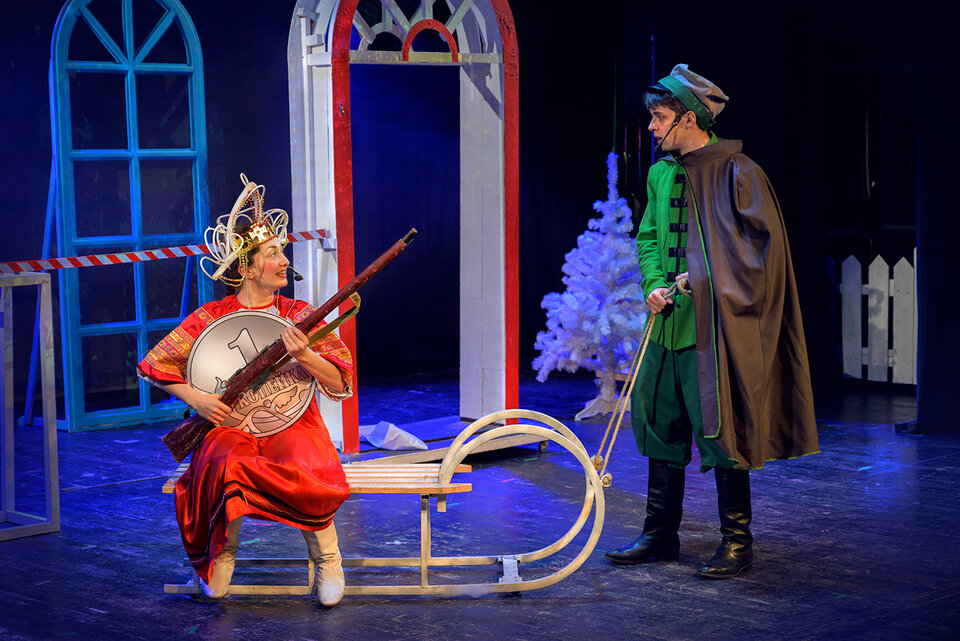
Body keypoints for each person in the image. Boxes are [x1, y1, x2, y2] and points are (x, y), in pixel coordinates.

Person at [604, 65, 819, 578]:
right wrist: (653, 283)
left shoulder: (739, 171)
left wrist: (706, 278)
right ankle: (660, 534)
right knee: (661, 425)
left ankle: (737, 541)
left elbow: (762, 252)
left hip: (715, 330)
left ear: (688, 118)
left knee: (721, 428)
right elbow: (649, 236)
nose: (652, 127)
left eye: (659, 118)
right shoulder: (661, 174)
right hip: (667, 326)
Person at [138, 175, 352, 605]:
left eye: (283, 251)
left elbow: (340, 380)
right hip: (229, 424)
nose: (284, 261)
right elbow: (154, 365)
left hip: (292, 422)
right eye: (273, 254)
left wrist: (306, 355)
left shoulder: (300, 314)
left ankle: (328, 558)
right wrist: (197, 400)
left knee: (305, 461)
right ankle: (222, 556)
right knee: (225, 459)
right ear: (247, 267)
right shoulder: (213, 317)